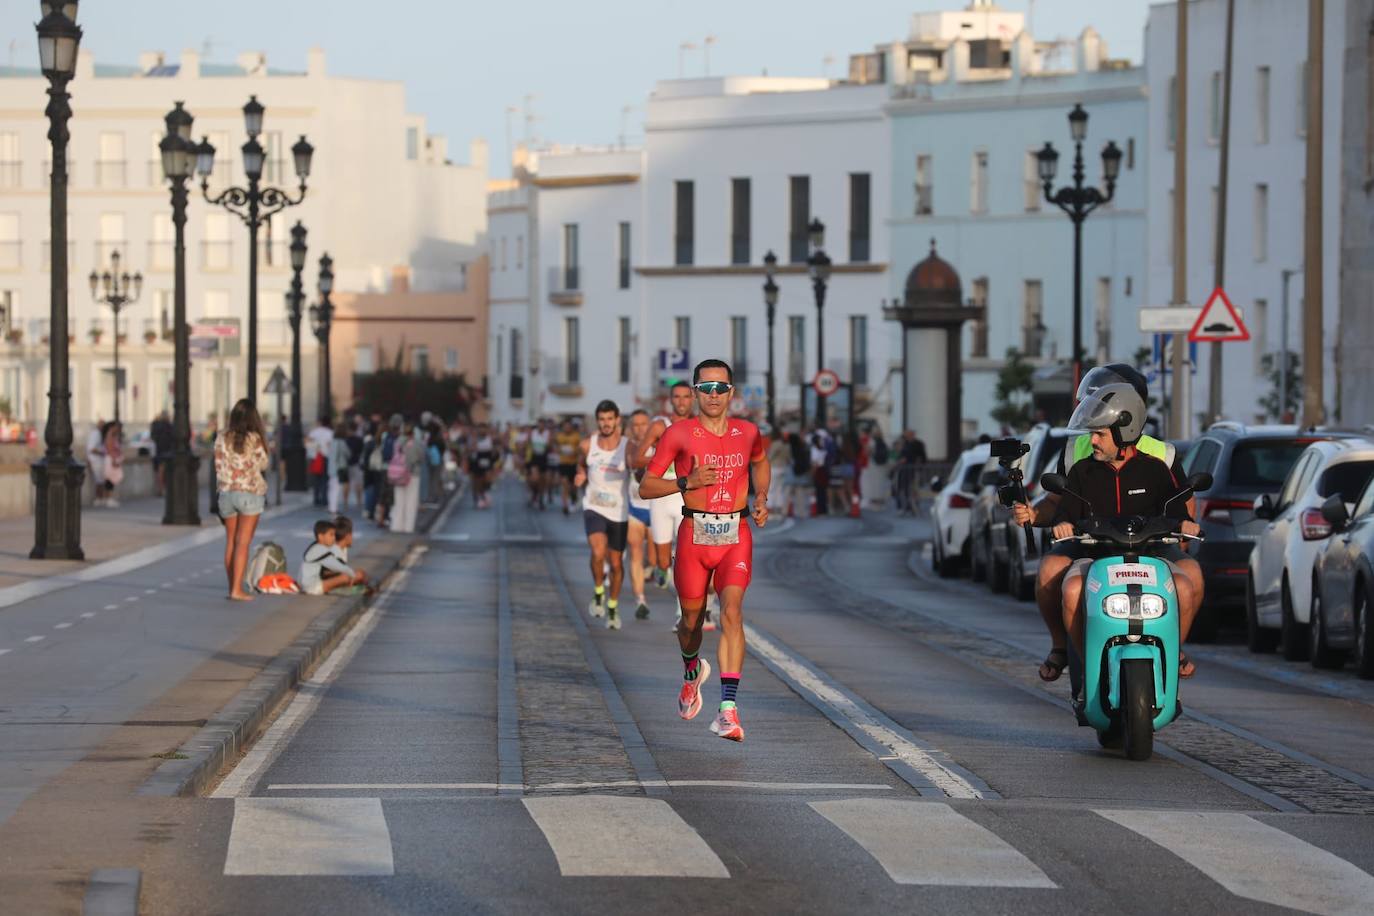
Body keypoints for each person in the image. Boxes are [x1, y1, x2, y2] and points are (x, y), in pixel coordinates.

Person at [1011, 377, 1204, 682]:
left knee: (1188, 580)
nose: (1094, 441)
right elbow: (1064, 511)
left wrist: (1185, 525)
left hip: (1149, 551)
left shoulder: (1157, 465)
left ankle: (1173, 650)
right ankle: (1083, 663)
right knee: (1068, 585)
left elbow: (1178, 509)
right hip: (1094, 552)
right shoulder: (1082, 469)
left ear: (1124, 428)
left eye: (1099, 434)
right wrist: (1055, 523)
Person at [640, 359, 769, 743]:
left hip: (735, 533)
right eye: (706, 388)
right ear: (695, 393)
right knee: (691, 625)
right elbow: (646, 486)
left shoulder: (748, 432)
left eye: (721, 388)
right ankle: (691, 670)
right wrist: (686, 481)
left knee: (732, 612)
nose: (714, 395)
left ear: (732, 393)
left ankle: (727, 710)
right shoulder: (678, 434)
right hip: (694, 534)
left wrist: (761, 495)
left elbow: (761, 464)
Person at [631, 380, 695, 593]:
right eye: (677, 397)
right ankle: (662, 568)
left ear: (693, 398)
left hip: (686, 499)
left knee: (688, 556)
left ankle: (684, 606)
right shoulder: (660, 426)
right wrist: (662, 457)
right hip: (661, 498)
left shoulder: (700, 426)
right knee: (662, 559)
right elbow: (636, 459)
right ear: (670, 400)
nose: (682, 401)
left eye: (686, 396)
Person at [576, 400, 631, 630]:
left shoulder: (628, 446)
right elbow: (581, 465)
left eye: (610, 419)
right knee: (598, 552)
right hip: (594, 506)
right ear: (597, 420)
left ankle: (612, 604)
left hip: (619, 511)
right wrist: (580, 475)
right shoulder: (588, 444)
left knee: (616, 563)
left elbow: (638, 466)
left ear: (617, 420)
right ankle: (599, 590)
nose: (606, 424)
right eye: (602, 419)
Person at [215, 398, 270, 602]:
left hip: (226, 493)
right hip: (250, 493)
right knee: (243, 543)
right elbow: (263, 464)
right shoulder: (254, 438)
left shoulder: (221, 436)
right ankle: (236, 590)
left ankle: (233, 586)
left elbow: (218, 464)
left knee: (231, 541)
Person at [625, 409, 655, 620]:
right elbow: (631, 463)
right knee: (635, 552)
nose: (639, 428)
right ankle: (640, 600)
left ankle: (653, 567)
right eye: (635, 424)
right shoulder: (627, 446)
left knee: (655, 559)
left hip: (656, 509)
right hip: (634, 509)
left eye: (644, 424)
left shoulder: (659, 445)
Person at [299, 519, 368, 596]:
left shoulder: (329, 548)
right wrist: (351, 575)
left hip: (314, 583)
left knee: (356, 574)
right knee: (352, 576)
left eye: (334, 535)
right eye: (331, 535)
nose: (333, 538)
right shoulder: (322, 549)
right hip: (312, 587)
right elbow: (330, 570)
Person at [389, 418, 425, 533]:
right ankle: (408, 527)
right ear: (413, 432)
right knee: (411, 501)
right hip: (413, 474)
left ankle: (397, 525)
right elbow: (421, 457)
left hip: (398, 474)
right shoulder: (416, 443)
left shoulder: (397, 442)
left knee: (399, 500)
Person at [554, 419, 582, 514]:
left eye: (568, 426)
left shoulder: (576, 436)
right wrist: (560, 450)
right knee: (565, 483)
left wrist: (574, 451)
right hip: (563, 463)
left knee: (573, 487)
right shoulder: (559, 436)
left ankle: (574, 496)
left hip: (573, 464)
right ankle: (565, 506)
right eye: (565, 426)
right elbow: (555, 447)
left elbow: (580, 448)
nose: (567, 428)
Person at [307, 416, 333, 507]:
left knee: (316, 479)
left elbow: (309, 443)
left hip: (315, 457)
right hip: (325, 457)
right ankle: (324, 499)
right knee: (325, 479)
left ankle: (316, 498)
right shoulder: (330, 433)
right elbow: (330, 445)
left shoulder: (314, 432)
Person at [151, 410, 173, 497]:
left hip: (158, 450)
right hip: (167, 451)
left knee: (159, 471)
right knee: (165, 471)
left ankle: (160, 489)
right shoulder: (169, 426)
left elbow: (153, 437)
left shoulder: (155, 425)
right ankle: (163, 489)